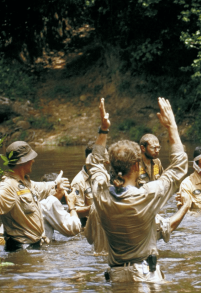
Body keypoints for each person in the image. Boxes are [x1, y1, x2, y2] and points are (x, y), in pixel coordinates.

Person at [88, 97, 188, 282]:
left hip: (116, 278)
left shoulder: (101, 194)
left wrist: (103, 130)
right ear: (136, 167)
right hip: (145, 277)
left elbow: (93, 164)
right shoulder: (148, 195)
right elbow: (179, 167)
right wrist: (172, 126)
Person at [0, 141, 71, 251]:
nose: (33, 160)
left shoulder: (25, 183)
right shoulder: (8, 186)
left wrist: (56, 183)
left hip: (32, 248)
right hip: (20, 249)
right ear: (23, 162)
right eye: (30, 158)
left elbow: (42, 187)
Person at [40, 173, 82, 240]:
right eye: (64, 188)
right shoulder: (51, 201)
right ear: (56, 189)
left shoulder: (41, 200)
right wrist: (71, 205)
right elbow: (74, 228)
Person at [70, 140, 96, 226]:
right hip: (88, 227)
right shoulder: (78, 182)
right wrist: (93, 209)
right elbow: (74, 211)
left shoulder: (103, 176)